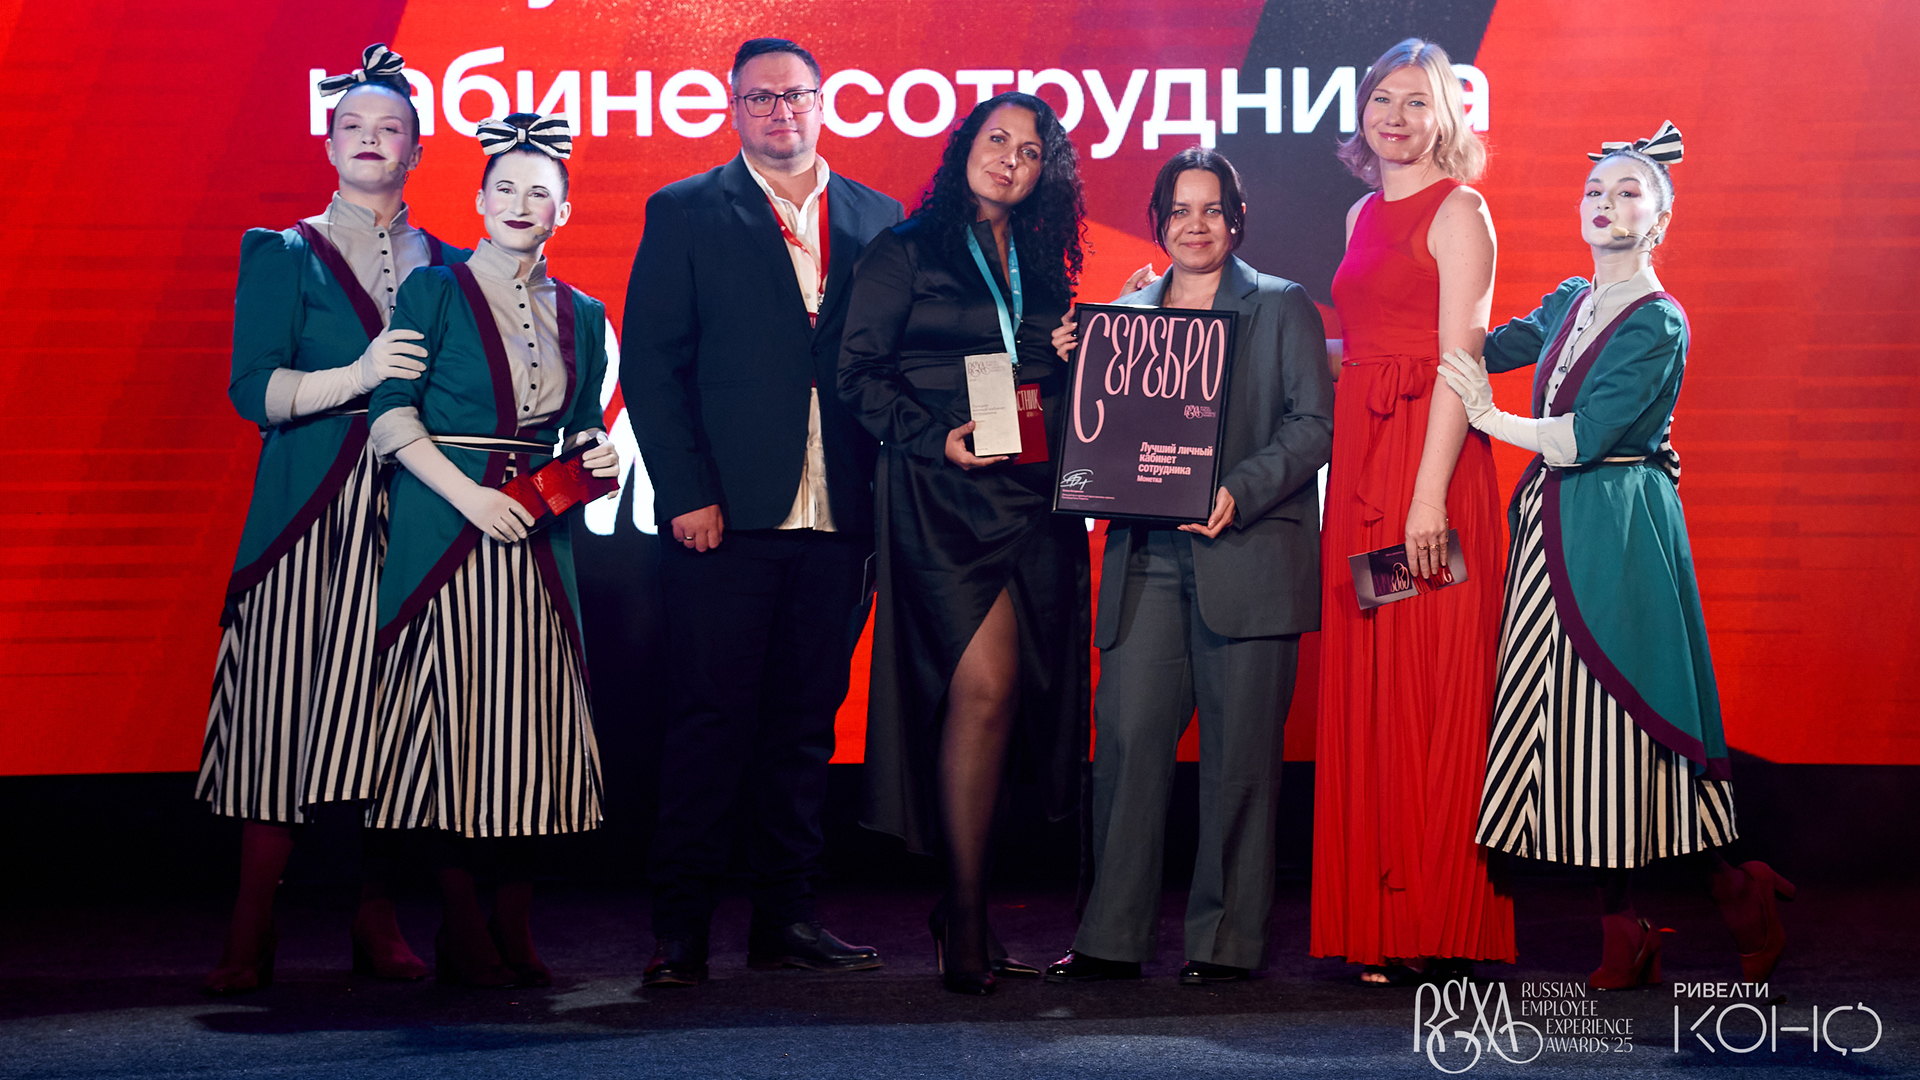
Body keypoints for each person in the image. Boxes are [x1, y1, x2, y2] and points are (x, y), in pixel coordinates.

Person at [1439, 124, 1791, 989]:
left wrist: (1486, 416)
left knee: (1628, 720)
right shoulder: (1571, 298)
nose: (1607, 203)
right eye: (1596, 190)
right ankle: (1624, 925)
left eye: (1629, 191)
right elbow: (1486, 343)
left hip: (1620, 526)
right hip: (1553, 524)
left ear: (1660, 218)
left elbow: (1587, 437)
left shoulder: (1657, 320)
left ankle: (1733, 886)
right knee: (1568, 730)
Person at [621, 38, 903, 989]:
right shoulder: (686, 209)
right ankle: (680, 929)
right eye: (761, 98)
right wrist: (685, 492)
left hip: (843, 514)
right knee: (710, 722)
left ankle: (787, 918)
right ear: (733, 109)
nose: (782, 111)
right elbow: (652, 364)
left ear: (824, 102)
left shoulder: (878, 217)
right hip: (726, 516)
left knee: (806, 726)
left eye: (796, 95)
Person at [199, 43, 467, 994]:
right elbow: (253, 391)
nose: (370, 139)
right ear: (328, 142)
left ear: (417, 150)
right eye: (352, 125)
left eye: (390, 128)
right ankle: (253, 919)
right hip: (309, 513)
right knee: (279, 712)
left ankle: (373, 913)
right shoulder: (282, 252)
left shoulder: (454, 265)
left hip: (418, 506)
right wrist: (357, 377)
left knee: (394, 722)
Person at [1041, 148, 1334, 986]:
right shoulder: (1124, 315)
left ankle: (1226, 945)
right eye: (1179, 210)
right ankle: (1110, 937)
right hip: (1146, 560)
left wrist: (1240, 492)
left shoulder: (1282, 304)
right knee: (1127, 749)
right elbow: (1095, 440)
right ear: (1159, 221)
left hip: (1248, 552)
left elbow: (1313, 425)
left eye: (1211, 209)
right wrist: (1072, 365)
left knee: (1241, 763)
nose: (1194, 225)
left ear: (1236, 220)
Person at [838, 91, 1090, 996]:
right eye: (997, 140)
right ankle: (966, 912)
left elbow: (1037, 379)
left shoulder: (1043, 263)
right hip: (943, 489)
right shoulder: (904, 249)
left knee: (1016, 697)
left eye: (1031, 150)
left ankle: (964, 908)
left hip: (1031, 490)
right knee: (981, 687)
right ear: (964, 149)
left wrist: (1073, 354)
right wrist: (932, 436)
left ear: (1045, 174)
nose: (1011, 159)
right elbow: (857, 375)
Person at [364, 111, 618, 987]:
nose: (519, 202)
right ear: (477, 200)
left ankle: (515, 922)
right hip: (446, 528)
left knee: (529, 733)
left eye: (537, 192)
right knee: (451, 732)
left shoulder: (585, 312)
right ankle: (462, 923)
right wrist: (469, 497)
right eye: (504, 187)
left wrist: (598, 455)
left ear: (562, 212)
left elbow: (582, 426)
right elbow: (389, 415)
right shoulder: (432, 291)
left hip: (537, 544)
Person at [1310, 38, 1516, 985]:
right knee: (1374, 676)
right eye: (1381, 99)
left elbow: (1459, 360)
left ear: (1447, 116)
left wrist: (1427, 497)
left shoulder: (1462, 209)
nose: (1395, 117)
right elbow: (1360, 346)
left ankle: (1441, 920)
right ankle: (1382, 921)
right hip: (1363, 463)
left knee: (1431, 676)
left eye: (1416, 101)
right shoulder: (1360, 211)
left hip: (1432, 473)